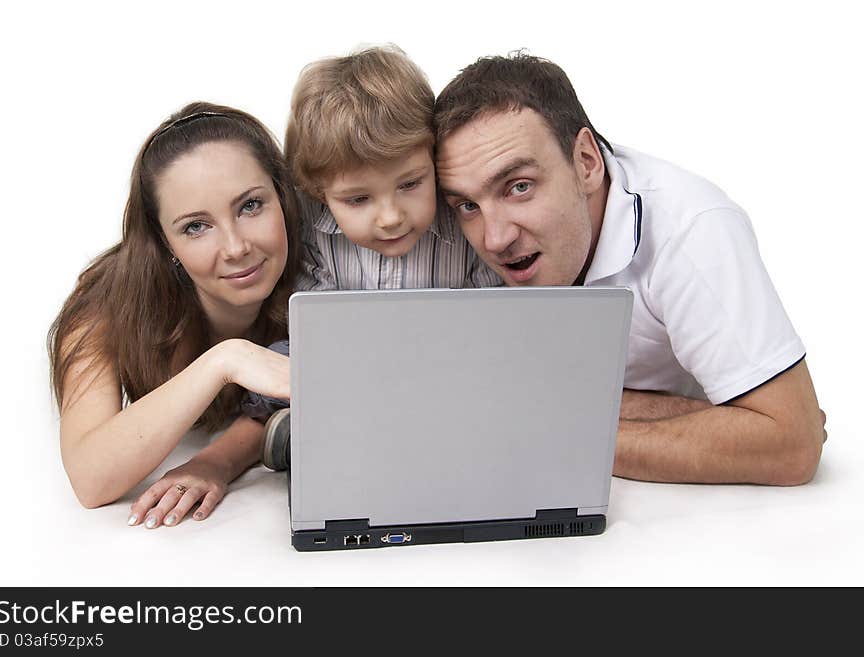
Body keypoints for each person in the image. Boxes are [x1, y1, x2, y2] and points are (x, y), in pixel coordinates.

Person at [434, 53, 825, 485]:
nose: (494, 239)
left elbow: (791, 443)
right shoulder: (451, 233)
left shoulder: (693, 228)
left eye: (519, 187)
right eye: (468, 204)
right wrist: (707, 419)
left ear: (585, 161)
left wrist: (557, 433)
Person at [245, 45, 503, 469]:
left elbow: (492, 318)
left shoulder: (463, 215)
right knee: (281, 359)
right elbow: (318, 323)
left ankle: (371, 427)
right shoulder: (309, 221)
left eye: (411, 184)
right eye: (358, 199)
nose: (390, 217)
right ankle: (321, 425)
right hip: (351, 362)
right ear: (318, 192)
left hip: (450, 360)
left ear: (433, 159)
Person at [48, 102, 300, 527]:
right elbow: (90, 479)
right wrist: (225, 361)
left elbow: (282, 407)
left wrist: (217, 462)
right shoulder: (104, 307)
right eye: (195, 227)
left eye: (251, 206)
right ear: (165, 244)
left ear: (283, 196)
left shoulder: (320, 270)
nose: (236, 247)